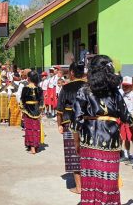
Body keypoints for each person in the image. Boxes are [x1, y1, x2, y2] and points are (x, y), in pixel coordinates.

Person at [73, 55, 133, 205]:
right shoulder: (115, 93)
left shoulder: (84, 91)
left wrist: (76, 142)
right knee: (109, 181)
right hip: (110, 144)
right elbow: (126, 117)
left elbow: (77, 120)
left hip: (88, 143)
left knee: (90, 181)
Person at [56, 61, 85, 194]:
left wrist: (59, 124)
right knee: (87, 154)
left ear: (72, 73)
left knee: (73, 155)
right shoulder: (88, 87)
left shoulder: (66, 88)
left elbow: (60, 109)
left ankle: (79, 187)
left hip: (70, 123)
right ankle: (88, 185)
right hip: (88, 125)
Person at [20, 70, 43, 155]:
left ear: (29, 78)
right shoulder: (39, 89)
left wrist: (23, 110)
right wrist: (40, 110)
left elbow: (22, 100)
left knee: (29, 128)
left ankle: (32, 148)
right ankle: (36, 147)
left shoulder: (25, 88)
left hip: (28, 110)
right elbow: (41, 101)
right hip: (37, 111)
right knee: (36, 128)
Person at [119, 76, 133, 164]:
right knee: (125, 137)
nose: (125, 87)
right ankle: (126, 155)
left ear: (131, 86)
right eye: (124, 85)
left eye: (127, 86)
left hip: (131, 119)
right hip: (123, 119)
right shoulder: (121, 94)